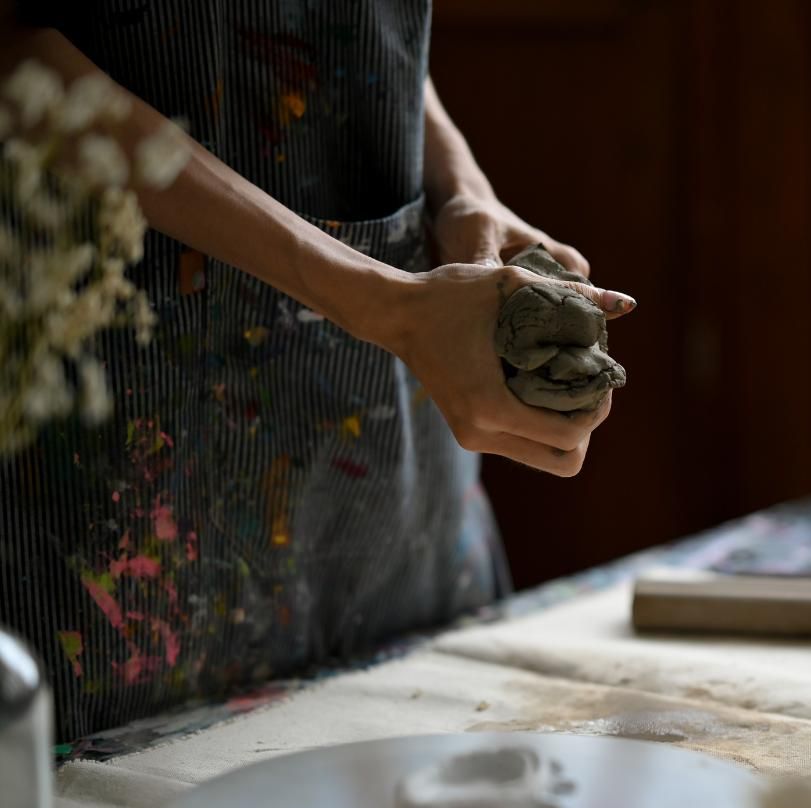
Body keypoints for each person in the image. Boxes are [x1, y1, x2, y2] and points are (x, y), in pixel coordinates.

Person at [0, 0, 635, 741]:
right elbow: (13, 53)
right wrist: (383, 303)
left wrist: (460, 190)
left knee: (421, 804)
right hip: (128, 436)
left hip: (394, 417)